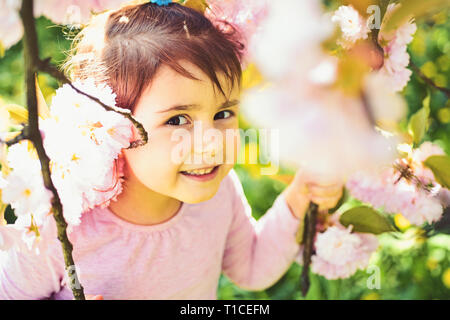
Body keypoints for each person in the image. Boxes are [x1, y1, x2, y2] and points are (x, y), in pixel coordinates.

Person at [0, 1, 343, 300]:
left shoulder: (218, 192)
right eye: (178, 120)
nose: (211, 141)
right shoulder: (63, 228)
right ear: (109, 127)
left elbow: (251, 270)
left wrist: (297, 200)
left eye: (223, 113)